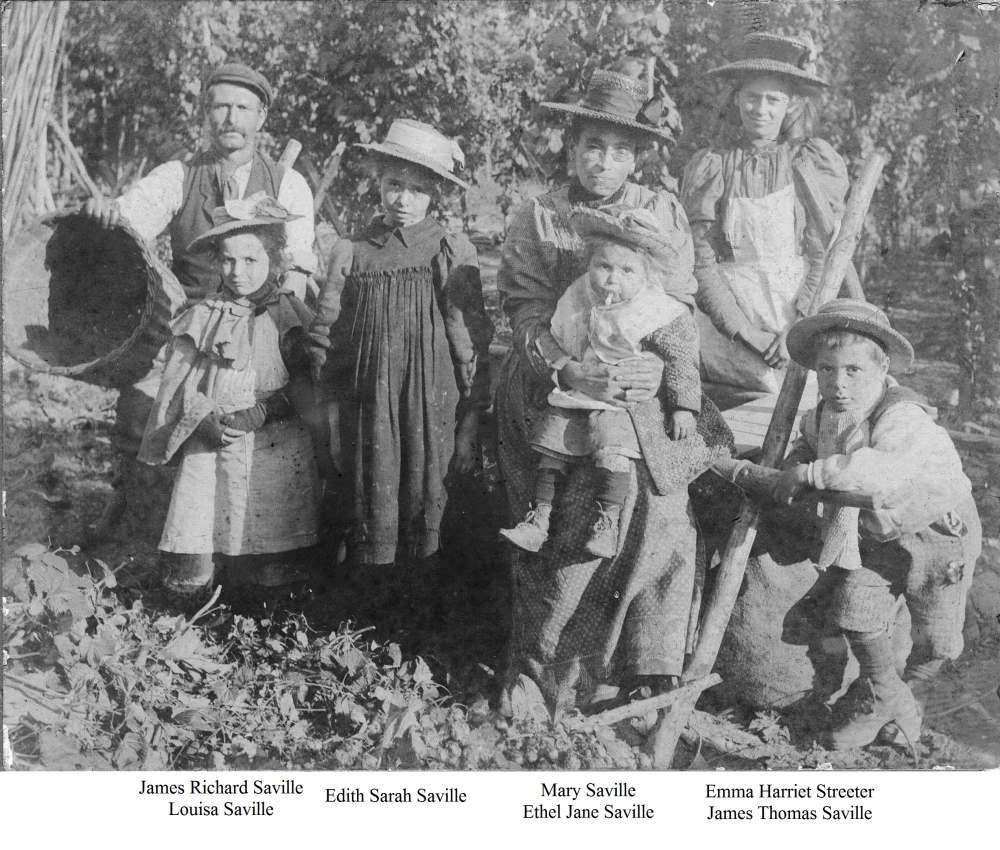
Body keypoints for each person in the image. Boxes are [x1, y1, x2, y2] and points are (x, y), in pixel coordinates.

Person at [496, 66, 725, 711]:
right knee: (566, 522)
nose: (604, 161)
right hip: (556, 385)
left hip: (639, 389)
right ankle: (542, 674)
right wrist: (564, 369)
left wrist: (658, 375)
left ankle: (636, 669)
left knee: (661, 509)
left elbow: (678, 307)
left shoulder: (661, 212)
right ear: (570, 148)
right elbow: (524, 311)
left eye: (620, 149)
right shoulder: (539, 215)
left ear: (637, 157)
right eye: (591, 145)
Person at [84, 63, 317, 543]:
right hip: (188, 325)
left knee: (269, 417)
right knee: (142, 404)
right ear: (206, 113)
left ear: (262, 116)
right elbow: (130, 224)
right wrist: (107, 214)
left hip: (258, 327)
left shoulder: (287, 184)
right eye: (220, 105)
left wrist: (276, 338)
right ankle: (134, 513)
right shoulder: (179, 176)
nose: (231, 117)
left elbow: (296, 270)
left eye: (243, 107)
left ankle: (257, 534)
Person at [773, 299, 981, 748]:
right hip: (879, 530)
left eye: (853, 371)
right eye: (826, 370)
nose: (838, 383)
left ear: (882, 367)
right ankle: (885, 692)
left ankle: (911, 701)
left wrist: (811, 475)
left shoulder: (901, 413)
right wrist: (797, 461)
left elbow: (877, 471)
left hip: (938, 532)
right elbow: (810, 444)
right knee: (855, 608)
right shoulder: (824, 413)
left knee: (936, 631)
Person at [307, 119, 493, 571]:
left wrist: (469, 422)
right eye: (393, 184)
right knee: (371, 494)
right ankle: (372, 610)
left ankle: (423, 611)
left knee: (428, 494)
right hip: (369, 405)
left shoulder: (450, 251)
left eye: (416, 189)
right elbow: (326, 335)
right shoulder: (352, 251)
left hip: (432, 405)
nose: (402, 199)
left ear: (435, 194)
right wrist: (331, 411)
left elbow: (471, 344)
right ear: (379, 181)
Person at [500, 206, 729, 560]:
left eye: (626, 271)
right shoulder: (578, 296)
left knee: (612, 448)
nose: (611, 279)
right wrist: (566, 366)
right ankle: (538, 519)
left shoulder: (658, 309)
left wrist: (684, 407)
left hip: (624, 397)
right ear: (588, 264)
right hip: (580, 387)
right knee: (551, 444)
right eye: (603, 267)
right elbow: (558, 336)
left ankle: (607, 521)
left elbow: (682, 358)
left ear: (647, 275)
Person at [137, 195, 324, 598]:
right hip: (212, 440)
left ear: (274, 260)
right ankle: (202, 601)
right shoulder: (204, 315)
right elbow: (177, 385)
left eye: (251, 260)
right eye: (228, 260)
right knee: (207, 518)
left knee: (270, 525)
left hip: (275, 442)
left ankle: (266, 604)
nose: (238, 272)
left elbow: (311, 385)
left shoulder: (287, 314)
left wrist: (264, 411)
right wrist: (202, 417)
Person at [681, 33, 849, 409]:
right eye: (752, 96)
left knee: (815, 399)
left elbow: (823, 255)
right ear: (736, 99)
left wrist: (799, 330)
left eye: (774, 99)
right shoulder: (715, 164)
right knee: (748, 403)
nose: (761, 109)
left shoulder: (809, 161)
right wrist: (743, 331)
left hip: (799, 309)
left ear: (791, 105)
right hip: (731, 315)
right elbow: (701, 258)